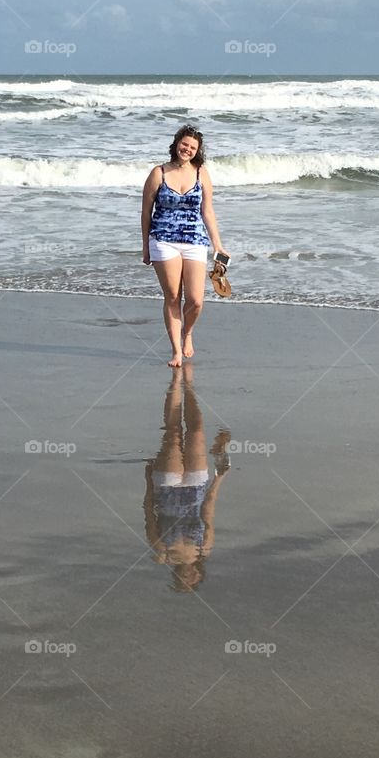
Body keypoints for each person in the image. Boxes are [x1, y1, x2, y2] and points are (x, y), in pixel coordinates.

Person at [141, 125, 227, 367]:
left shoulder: (201, 173)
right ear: (176, 143)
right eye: (184, 144)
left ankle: (187, 332)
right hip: (163, 240)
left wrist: (218, 245)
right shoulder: (158, 173)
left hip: (195, 240)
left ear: (197, 151)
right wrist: (146, 246)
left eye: (192, 147)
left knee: (196, 300)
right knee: (172, 296)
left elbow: (207, 211)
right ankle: (176, 351)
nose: (187, 149)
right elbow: (146, 212)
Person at [143, 365, 231, 592]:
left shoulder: (161, 554)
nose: (187, 579)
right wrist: (219, 478)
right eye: (192, 582)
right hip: (196, 486)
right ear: (199, 575)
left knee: (173, 433)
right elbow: (208, 510)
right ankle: (188, 385)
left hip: (167, 487)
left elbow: (149, 514)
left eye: (182, 583)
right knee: (196, 429)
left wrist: (148, 482)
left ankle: (175, 382)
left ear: (175, 578)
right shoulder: (204, 549)